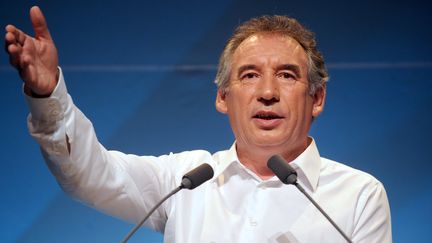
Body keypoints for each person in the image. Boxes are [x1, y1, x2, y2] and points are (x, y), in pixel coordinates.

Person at [5, 6, 392, 243]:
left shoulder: (359, 196)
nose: (268, 92)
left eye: (288, 75)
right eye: (250, 75)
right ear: (223, 97)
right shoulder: (186, 180)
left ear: (317, 99)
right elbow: (88, 174)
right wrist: (48, 95)